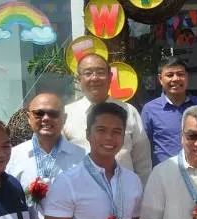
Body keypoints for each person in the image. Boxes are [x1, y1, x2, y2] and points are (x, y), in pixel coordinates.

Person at [63, 53, 152, 185]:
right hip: (81, 194)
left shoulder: (129, 112)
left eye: (100, 72)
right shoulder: (66, 114)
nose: (94, 78)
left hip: (125, 193)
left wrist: (143, 195)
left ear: (110, 77)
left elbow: (142, 162)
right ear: (78, 78)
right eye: (88, 73)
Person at [141, 56, 197, 167]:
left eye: (180, 74)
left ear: (187, 77)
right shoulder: (150, 110)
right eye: (169, 75)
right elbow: (143, 148)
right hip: (165, 176)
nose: (175, 79)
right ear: (160, 79)